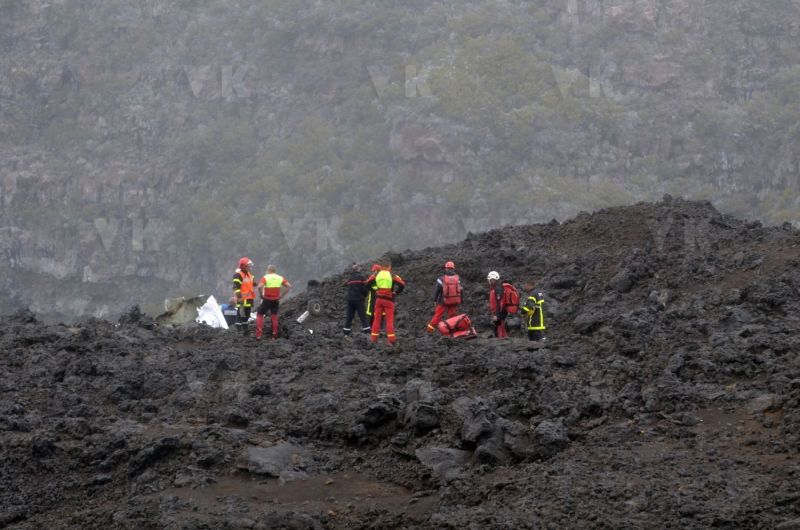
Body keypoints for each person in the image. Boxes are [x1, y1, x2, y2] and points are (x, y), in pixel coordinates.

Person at [366, 262, 406, 346]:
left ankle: (373, 339)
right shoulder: (392, 275)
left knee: (376, 320)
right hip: (388, 300)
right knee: (389, 321)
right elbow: (402, 284)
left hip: (379, 299)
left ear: (382, 266)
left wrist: (375, 290)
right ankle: (391, 340)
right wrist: (396, 292)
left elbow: (367, 284)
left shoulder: (377, 275)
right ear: (389, 267)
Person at [255, 265, 291, 340]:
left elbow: (259, 286)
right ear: (275, 271)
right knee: (274, 316)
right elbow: (288, 286)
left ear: (268, 270)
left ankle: (259, 335)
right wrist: (281, 295)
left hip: (267, 299)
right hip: (275, 300)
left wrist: (261, 295)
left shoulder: (266, 277)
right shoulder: (280, 278)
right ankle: (274, 335)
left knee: (260, 314)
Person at [427, 261, 463, 333]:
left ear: (446, 269)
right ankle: (453, 331)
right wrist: (461, 300)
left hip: (442, 301)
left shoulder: (441, 279)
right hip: (454, 301)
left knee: (437, 316)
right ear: (453, 269)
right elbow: (461, 290)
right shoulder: (457, 279)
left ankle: (429, 331)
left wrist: (435, 300)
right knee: (453, 317)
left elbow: (437, 290)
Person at [343, 263, 371, 336]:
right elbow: (365, 287)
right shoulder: (361, 277)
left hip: (350, 300)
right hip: (359, 300)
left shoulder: (350, 278)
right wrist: (364, 296)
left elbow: (347, 287)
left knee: (349, 317)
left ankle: (346, 333)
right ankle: (367, 331)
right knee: (363, 316)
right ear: (358, 269)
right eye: (360, 267)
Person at [232, 257, 256, 335]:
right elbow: (236, 287)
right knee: (240, 314)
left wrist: (256, 283)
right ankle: (239, 331)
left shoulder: (249, 274)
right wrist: (239, 297)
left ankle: (245, 330)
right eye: (248, 265)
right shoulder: (238, 275)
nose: (250, 267)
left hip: (249, 298)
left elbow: (252, 282)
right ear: (243, 266)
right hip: (242, 299)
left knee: (247, 315)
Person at [487, 271, 508, 338]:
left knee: (500, 330)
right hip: (497, 313)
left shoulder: (498, 289)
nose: (489, 281)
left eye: (490, 280)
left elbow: (500, 304)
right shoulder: (494, 289)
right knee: (499, 330)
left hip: (499, 314)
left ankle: (502, 344)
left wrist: (497, 315)